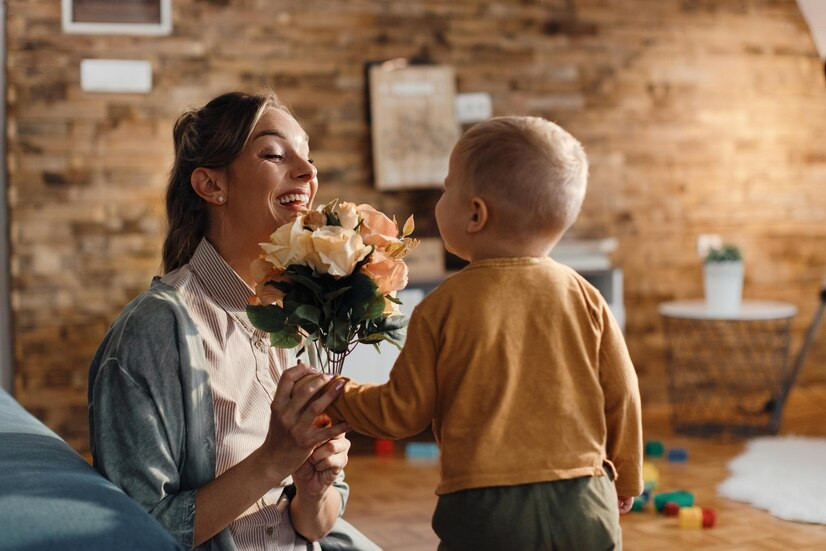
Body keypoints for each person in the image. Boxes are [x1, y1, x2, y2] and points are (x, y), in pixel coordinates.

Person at [325, 116, 643, 549]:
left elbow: (401, 412)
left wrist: (337, 394)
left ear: (475, 214)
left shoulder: (442, 306)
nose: (439, 200)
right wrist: (627, 477)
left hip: (487, 509)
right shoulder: (587, 297)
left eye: (446, 188)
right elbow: (623, 394)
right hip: (585, 500)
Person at [88, 91, 379, 551]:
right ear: (211, 185)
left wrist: (313, 489)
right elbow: (137, 534)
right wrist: (274, 459)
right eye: (274, 154)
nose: (308, 172)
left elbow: (316, 525)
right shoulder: (155, 330)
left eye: (308, 155)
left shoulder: (299, 314)